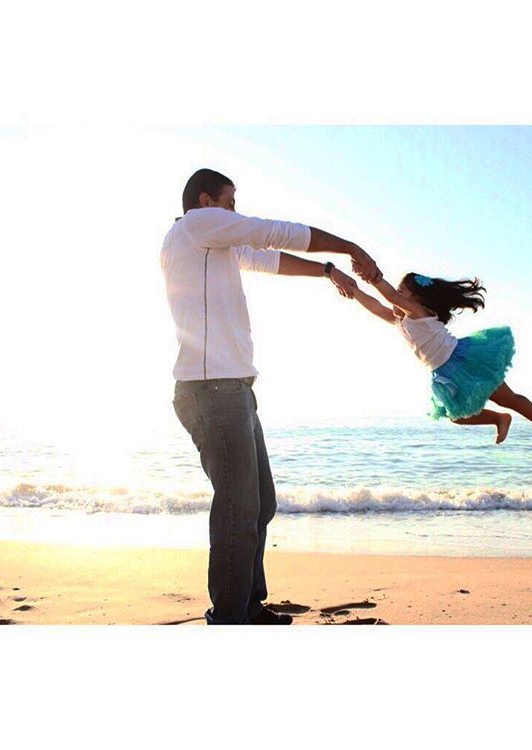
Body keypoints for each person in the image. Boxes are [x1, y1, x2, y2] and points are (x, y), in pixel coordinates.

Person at [160, 168, 380, 625]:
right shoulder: (195, 226)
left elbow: (269, 258)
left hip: (234, 389)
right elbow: (270, 232)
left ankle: (246, 604)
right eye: (230, 202)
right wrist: (350, 246)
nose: (235, 212)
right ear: (205, 201)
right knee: (238, 505)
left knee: (261, 502)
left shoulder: (212, 242)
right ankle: (229, 615)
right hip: (212, 391)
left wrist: (326, 270)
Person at [346, 269, 532, 444]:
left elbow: (390, 296)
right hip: (443, 373)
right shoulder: (400, 321)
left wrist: (372, 276)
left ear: (417, 299)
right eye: (399, 292)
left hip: (464, 362)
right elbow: (376, 306)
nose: (397, 297)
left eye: (402, 292)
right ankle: (499, 418)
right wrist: (354, 291)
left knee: (507, 398)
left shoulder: (417, 312)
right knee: (456, 416)